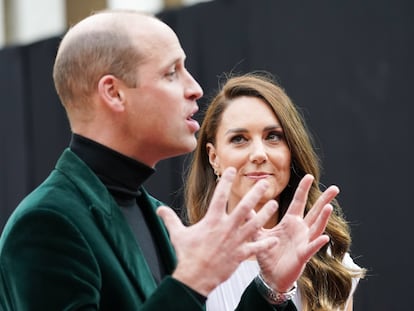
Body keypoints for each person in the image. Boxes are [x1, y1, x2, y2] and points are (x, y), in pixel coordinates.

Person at [0, 10, 335, 311]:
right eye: (172, 72)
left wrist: (269, 289)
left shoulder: (154, 215)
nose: (195, 89)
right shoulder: (46, 222)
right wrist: (190, 284)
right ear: (113, 93)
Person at [185, 72, 366, 311]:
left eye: (273, 137)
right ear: (214, 157)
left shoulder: (330, 264)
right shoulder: (182, 264)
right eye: (239, 139)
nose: (259, 154)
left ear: (292, 150)